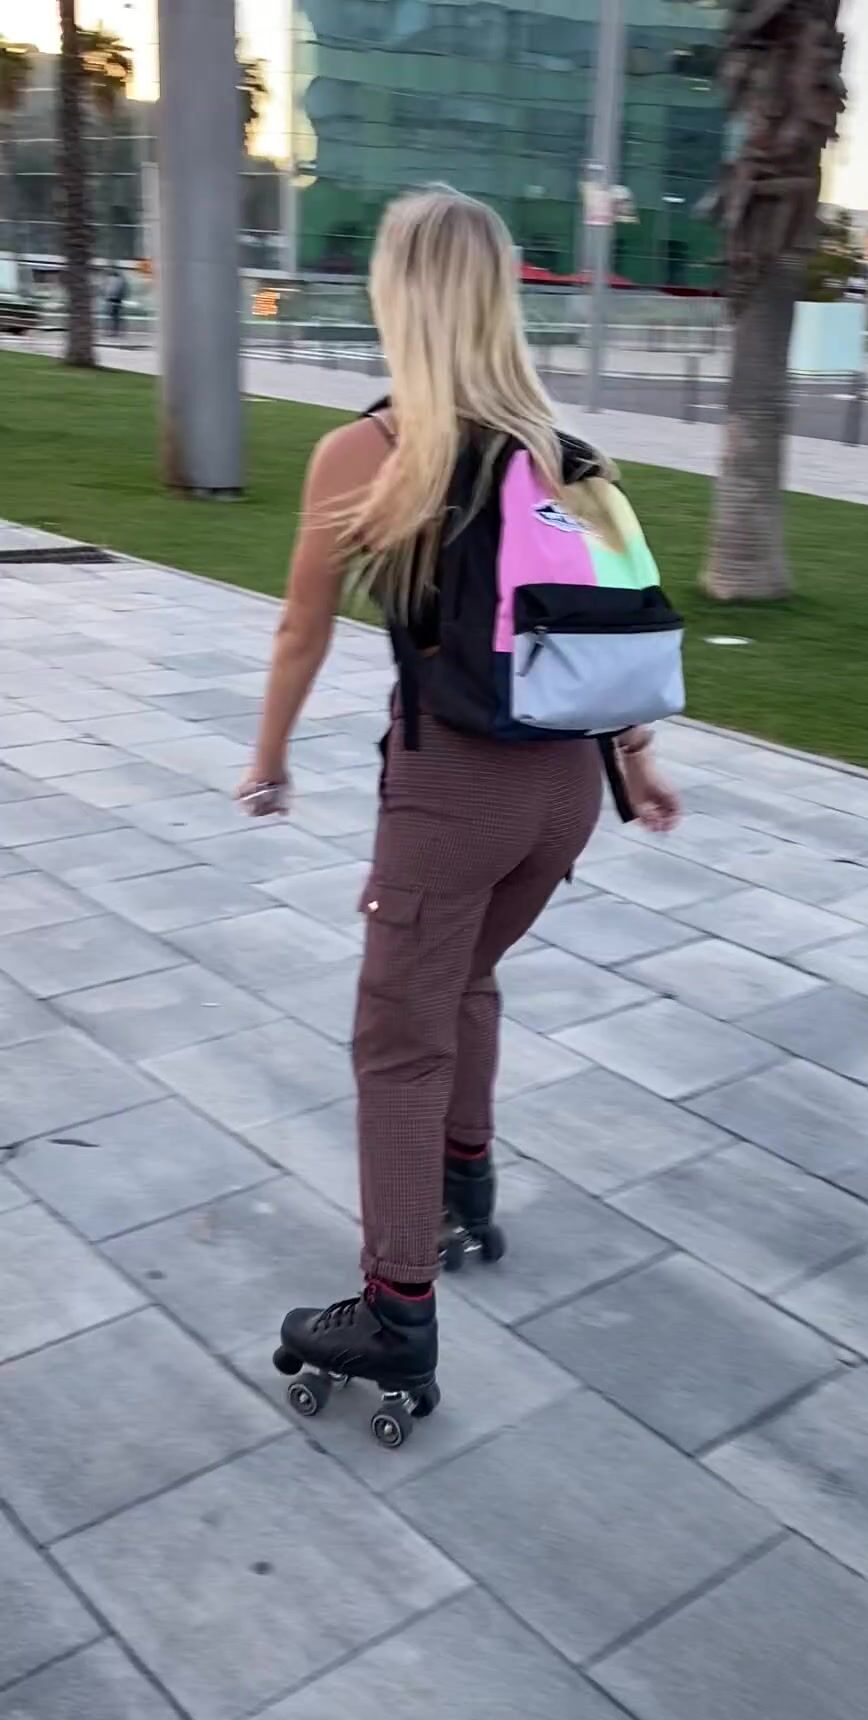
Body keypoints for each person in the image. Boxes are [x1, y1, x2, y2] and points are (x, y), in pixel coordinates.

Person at [239, 187, 681, 1438]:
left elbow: (302, 628)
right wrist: (639, 763)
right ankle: (464, 1181)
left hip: (453, 797)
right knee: (467, 978)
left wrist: (268, 759)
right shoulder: (565, 454)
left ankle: (394, 1308)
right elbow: (599, 635)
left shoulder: (372, 451)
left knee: (397, 1040)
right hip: (565, 795)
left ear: (400, 296)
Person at [106, 266, 128, 338]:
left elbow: (111, 290)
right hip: (117, 300)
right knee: (116, 317)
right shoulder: (121, 280)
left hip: (113, 299)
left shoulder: (113, 279)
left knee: (114, 317)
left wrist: (108, 298)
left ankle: (114, 332)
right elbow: (122, 290)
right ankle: (117, 331)